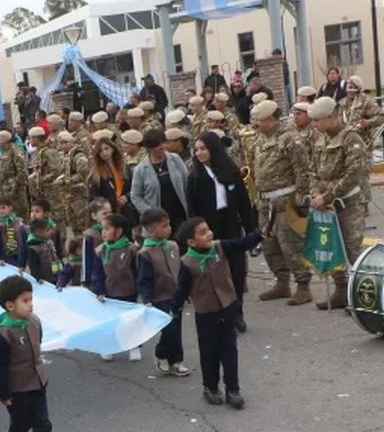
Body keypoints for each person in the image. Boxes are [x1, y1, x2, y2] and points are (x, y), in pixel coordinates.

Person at [172, 218, 263, 409]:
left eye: (208, 230)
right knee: (209, 352)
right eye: (202, 233)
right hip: (206, 313)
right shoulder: (187, 262)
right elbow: (181, 289)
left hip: (228, 307)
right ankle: (211, 387)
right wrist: (175, 308)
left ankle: (233, 389)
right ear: (191, 242)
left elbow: (241, 243)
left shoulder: (220, 247)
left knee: (229, 349)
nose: (209, 234)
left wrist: (259, 235)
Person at [243, 101, 312, 308]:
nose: (255, 124)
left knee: (291, 245)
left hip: (286, 201)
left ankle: (303, 285)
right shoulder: (259, 139)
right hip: (265, 201)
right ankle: (282, 282)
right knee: (270, 246)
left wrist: (301, 199)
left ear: (271, 119)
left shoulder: (290, 138)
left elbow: (302, 170)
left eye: (259, 120)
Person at [186, 131, 257, 331]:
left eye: (203, 148)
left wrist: (251, 231)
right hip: (209, 227)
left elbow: (243, 203)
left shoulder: (230, 170)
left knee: (236, 271)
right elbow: (192, 209)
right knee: (216, 272)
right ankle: (223, 314)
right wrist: (196, 234)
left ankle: (238, 312)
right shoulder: (195, 177)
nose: (199, 153)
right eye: (197, 149)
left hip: (231, 224)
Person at [0, 275, 56, 432]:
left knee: (42, 421)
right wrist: (4, 393)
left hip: (38, 382)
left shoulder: (34, 321)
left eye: (31, 299)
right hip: (17, 388)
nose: (31, 304)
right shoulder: (1, 334)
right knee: (21, 421)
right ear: (10, 305)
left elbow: (37, 343)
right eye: (25, 301)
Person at [306, 97, 366, 310]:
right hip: (325, 205)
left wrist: (327, 196)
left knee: (353, 249)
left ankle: (362, 295)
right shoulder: (319, 139)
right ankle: (341, 291)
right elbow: (312, 171)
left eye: (317, 120)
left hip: (347, 203)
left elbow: (353, 173)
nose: (314, 124)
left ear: (331, 117)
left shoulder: (351, 138)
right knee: (331, 248)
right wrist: (315, 194)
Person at [136, 208, 189, 377]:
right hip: (159, 298)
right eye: (164, 226)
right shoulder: (145, 253)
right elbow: (143, 279)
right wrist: (147, 299)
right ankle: (161, 352)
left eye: (169, 224)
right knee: (169, 329)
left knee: (176, 328)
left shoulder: (173, 246)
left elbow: (181, 270)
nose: (169, 228)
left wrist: (186, 290)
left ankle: (177, 361)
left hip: (176, 295)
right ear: (151, 230)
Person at [90, 214, 141, 362]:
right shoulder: (101, 251)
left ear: (119, 231)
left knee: (131, 321)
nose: (103, 232)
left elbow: (138, 272)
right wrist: (99, 290)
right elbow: (97, 273)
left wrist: (141, 291)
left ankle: (134, 346)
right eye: (102, 229)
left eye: (107, 229)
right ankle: (109, 347)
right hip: (109, 293)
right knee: (110, 322)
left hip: (129, 292)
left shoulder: (132, 249)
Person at [130, 128, 189, 237]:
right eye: (158, 145)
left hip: (180, 215)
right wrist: (150, 212)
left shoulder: (175, 159)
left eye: (164, 143)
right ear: (149, 148)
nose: (163, 147)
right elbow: (135, 196)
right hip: (158, 220)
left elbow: (187, 183)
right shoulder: (140, 169)